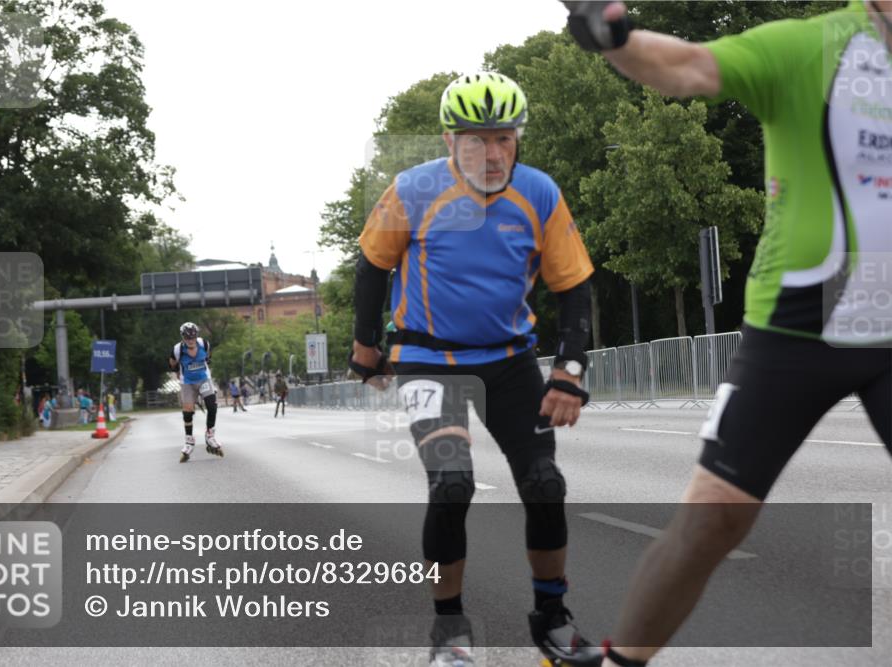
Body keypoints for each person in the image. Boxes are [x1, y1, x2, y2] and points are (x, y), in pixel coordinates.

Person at [560, 2, 892, 665]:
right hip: (798, 326)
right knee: (714, 518)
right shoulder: (812, 49)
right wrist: (613, 34)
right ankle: (621, 659)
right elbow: (687, 65)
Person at [350, 71, 598, 667]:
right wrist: (364, 346)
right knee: (452, 483)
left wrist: (569, 369)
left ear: (518, 139)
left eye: (505, 139)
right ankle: (449, 631)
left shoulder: (538, 193)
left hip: (510, 360)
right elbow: (371, 267)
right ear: (448, 140)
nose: (492, 153)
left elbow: (574, 288)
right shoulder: (413, 189)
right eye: (477, 140)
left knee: (545, 485)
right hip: (428, 360)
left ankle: (552, 616)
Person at [168, 322, 223, 463]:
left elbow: (208, 357)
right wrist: (177, 369)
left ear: (197, 336)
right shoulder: (177, 349)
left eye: (193, 337)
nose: (191, 341)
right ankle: (189, 441)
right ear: (183, 338)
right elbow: (172, 364)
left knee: (212, 405)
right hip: (187, 382)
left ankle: (210, 436)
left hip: (204, 379)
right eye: (187, 338)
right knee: (187, 412)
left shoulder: (204, 344)